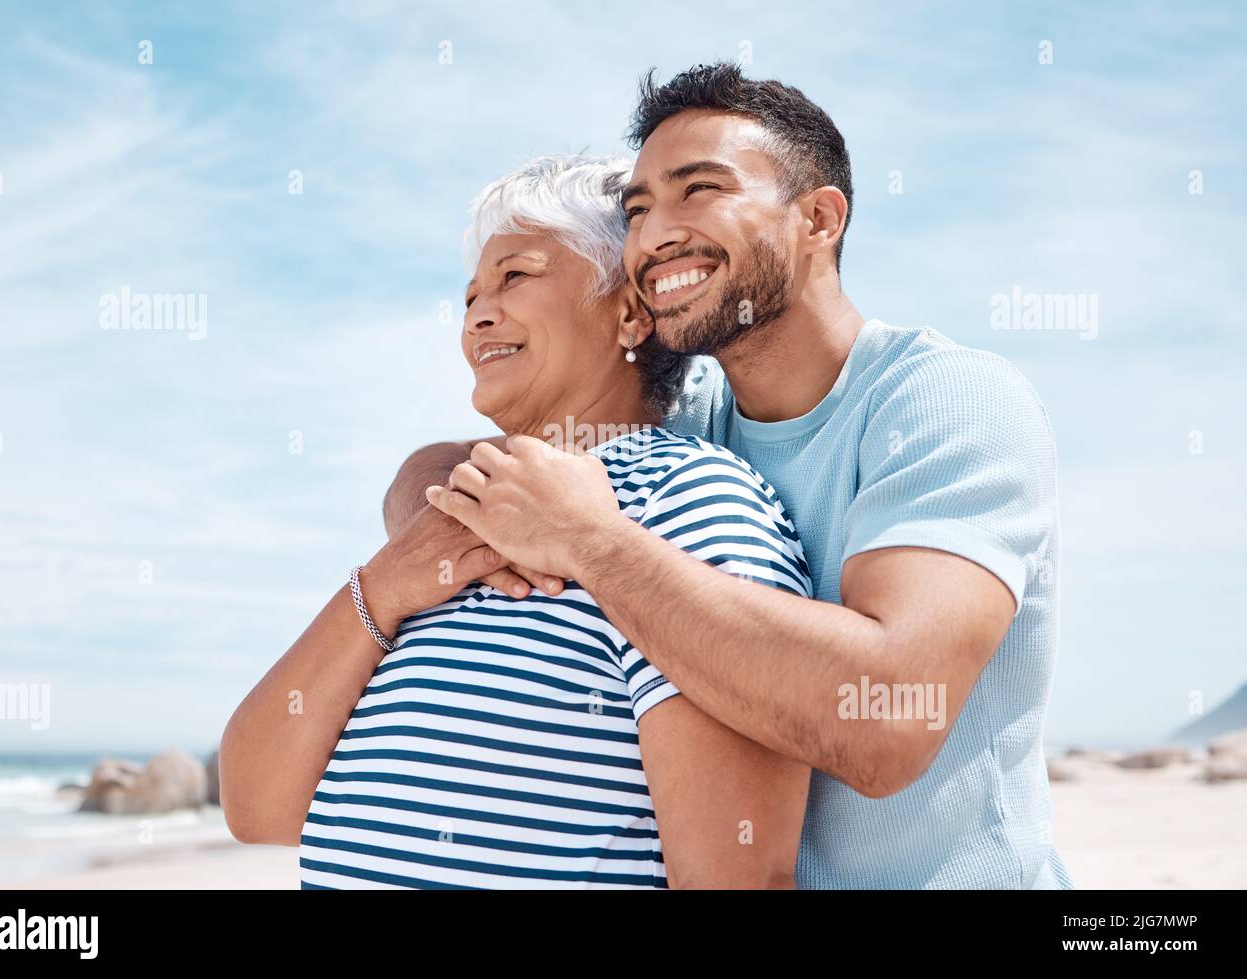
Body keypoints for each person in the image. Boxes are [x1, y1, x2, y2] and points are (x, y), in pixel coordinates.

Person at [410, 64, 1074, 889]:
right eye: (639, 209)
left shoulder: (947, 400)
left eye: (700, 190)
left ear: (819, 219)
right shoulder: (689, 423)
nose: (654, 237)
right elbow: (443, 467)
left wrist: (588, 540)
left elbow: (890, 718)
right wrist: (455, 509)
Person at [221, 155, 814, 888]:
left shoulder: (687, 500)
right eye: (471, 295)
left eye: (516, 277)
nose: (477, 314)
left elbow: (741, 876)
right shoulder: (449, 513)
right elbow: (256, 805)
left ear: (630, 311)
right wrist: (380, 589)